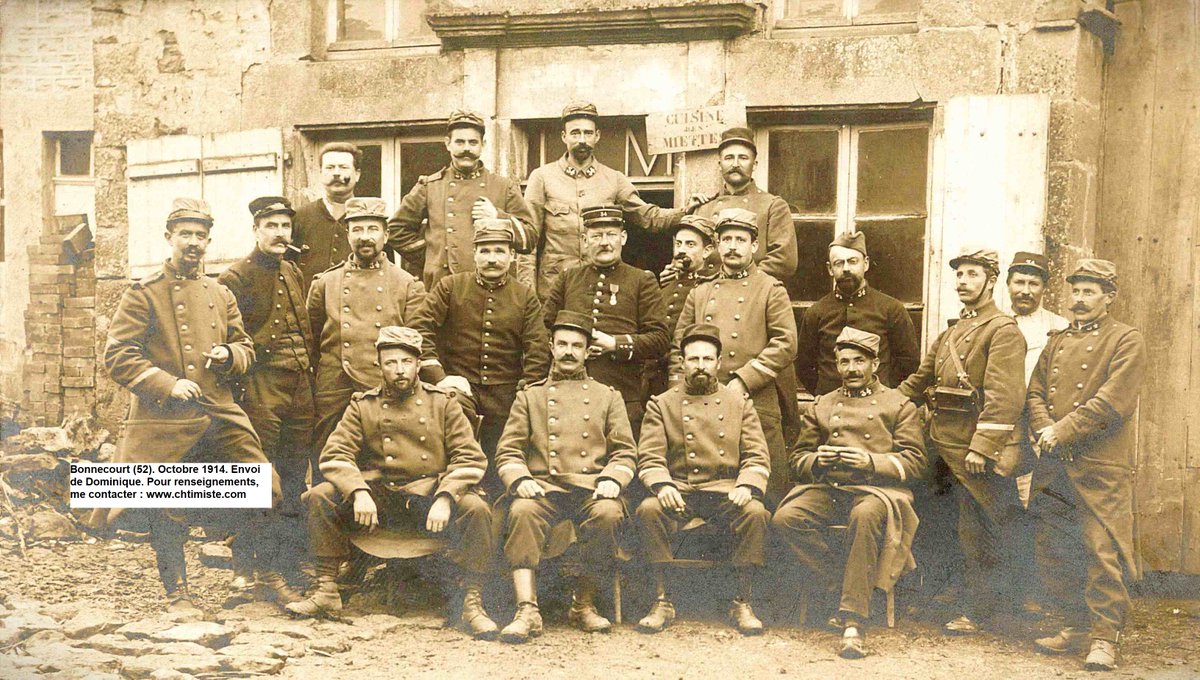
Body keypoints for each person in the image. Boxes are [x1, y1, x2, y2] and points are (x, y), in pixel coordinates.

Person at [98, 197, 285, 613]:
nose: (194, 243)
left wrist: (228, 355)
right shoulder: (143, 294)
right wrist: (167, 383)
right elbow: (119, 355)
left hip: (217, 409)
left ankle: (260, 574)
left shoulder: (220, 293)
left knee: (264, 485)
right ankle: (177, 592)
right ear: (169, 238)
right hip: (163, 418)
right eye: (186, 234)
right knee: (169, 503)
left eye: (201, 235)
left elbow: (245, 347)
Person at [286, 327, 498, 640]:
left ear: (418, 364)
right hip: (380, 499)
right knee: (320, 496)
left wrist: (446, 497)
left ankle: (471, 602)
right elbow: (334, 455)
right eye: (390, 363)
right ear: (380, 366)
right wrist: (358, 491)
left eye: (405, 362)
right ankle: (326, 590)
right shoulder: (363, 405)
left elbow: (470, 459)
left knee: (477, 508)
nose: (398, 370)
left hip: (428, 499)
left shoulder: (444, 404)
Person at [772, 327, 927, 659]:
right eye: (844, 362)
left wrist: (873, 461)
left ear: (875, 363)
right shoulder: (823, 405)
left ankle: (852, 623)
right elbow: (797, 459)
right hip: (829, 487)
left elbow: (916, 463)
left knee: (864, 514)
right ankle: (842, 589)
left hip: (877, 491)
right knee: (787, 518)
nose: (852, 369)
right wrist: (817, 460)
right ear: (836, 365)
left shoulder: (898, 405)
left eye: (859, 361)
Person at [898, 245, 1027, 635]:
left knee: (978, 531)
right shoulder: (951, 333)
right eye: (959, 274)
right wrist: (877, 406)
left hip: (972, 451)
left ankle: (981, 608)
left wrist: (983, 448)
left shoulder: (1003, 331)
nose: (963, 281)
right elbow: (917, 383)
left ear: (990, 280)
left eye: (972, 274)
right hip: (941, 447)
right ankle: (949, 594)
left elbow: (1005, 397)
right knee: (939, 526)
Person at [1027, 259, 1146, 672]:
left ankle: (1104, 638)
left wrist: (1062, 430)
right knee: (1054, 548)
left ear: (1108, 297)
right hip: (1056, 463)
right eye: (1075, 291)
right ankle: (1074, 626)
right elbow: (1035, 393)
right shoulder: (1057, 341)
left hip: (1100, 464)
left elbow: (1113, 402)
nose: (1079, 299)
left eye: (1089, 291)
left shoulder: (1126, 340)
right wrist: (1044, 428)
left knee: (1101, 550)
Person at [493, 311, 638, 643]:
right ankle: (526, 610)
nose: (569, 351)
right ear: (551, 347)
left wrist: (613, 479)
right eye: (562, 344)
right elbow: (508, 450)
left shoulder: (607, 396)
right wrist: (519, 479)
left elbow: (626, 451)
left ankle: (583, 604)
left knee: (608, 514)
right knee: (521, 510)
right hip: (544, 488)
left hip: (592, 489)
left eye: (577, 345)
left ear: (588, 351)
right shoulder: (529, 397)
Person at [635, 323, 772, 635]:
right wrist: (662, 484)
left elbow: (757, 454)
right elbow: (650, 455)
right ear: (682, 363)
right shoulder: (662, 403)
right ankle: (662, 599)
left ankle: (741, 601)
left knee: (755, 514)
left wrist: (747, 485)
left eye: (707, 359)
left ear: (719, 363)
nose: (700, 366)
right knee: (648, 510)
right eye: (693, 359)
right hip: (679, 492)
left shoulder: (740, 404)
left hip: (724, 493)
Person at [216, 196, 317, 597]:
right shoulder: (236, 277)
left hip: (299, 387)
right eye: (271, 225)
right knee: (256, 477)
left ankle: (285, 562)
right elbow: (228, 338)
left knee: (294, 477)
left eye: (285, 226)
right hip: (261, 385)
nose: (280, 233)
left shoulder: (293, 270)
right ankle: (246, 569)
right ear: (256, 230)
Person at [412, 219, 550, 495]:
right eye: (484, 251)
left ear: (512, 256)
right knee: (455, 459)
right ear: (474, 253)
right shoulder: (450, 287)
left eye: (499, 251)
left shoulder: (524, 297)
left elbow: (538, 348)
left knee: (502, 467)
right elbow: (420, 327)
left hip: (506, 394)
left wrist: (524, 392)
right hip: (458, 390)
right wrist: (440, 377)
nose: (491, 259)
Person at [671, 208, 797, 503]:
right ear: (717, 245)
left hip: (756, 398)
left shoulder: (770, 289)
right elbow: (679, 344)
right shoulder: (700, 293)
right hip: (705, 398)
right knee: (713, 489)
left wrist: (744, 379)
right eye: (726, 239)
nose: (732, 246)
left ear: (754, 246)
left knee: (767, 490)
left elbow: (786, 343)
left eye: (740, 239)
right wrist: (679, 390)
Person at [519, 101, 693, 298]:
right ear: (564, 136)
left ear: (597, 136)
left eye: (588, 133)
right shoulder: (542, 177)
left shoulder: (614, 179)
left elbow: (648, 217)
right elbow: (528, 241)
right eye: (575, 133)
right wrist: (529, 294)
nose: (582, 139)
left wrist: (686, 211)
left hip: (600, 289)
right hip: (554, 289)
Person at [307, 197, 426, 482]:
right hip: (335, 383)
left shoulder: (407, 284)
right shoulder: (325, 283)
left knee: (385, 458)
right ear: (347, 235)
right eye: (357, 230)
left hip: (385, 382)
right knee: (328, 455)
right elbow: (310, 337)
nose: (365, 237)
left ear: (386, 235)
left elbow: (418, 341)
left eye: (372, 229)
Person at [543, 204, 669, 436]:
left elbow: (660, 340)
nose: (604, 242)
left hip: (622, 395)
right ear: (584, 239)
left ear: (623, 238)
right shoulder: (567, 279)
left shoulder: (642, 280)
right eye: (597, 235)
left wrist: (615, 344)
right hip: (568, 394)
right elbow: (545, 330)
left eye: (611, 235)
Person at [387, 110, 536, 291]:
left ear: (483, 145)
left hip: (491, 287)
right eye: (460, 142)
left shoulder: (503, 187)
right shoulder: (429, 186)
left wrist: (498, 217)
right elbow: (395, 230)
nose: (466, 148)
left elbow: (529, 239)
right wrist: (434, 256)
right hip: (441, 286)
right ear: (448, 144)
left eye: (473, 142)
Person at [796, 230, 920, 396]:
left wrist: (886, 396)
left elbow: (908, 363)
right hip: (831, 409)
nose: (846, 268)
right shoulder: (816, 312)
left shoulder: (891, 309)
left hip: (878, 407)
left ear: (866, 264)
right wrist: (826, 396)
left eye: (853, 261)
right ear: (830, 269)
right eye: (839, 263)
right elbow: (804, 366)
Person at [689, 127, 797, 281]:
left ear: (755, 164)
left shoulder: (773, 205)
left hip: (750, 293)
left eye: (743, 158)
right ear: (719, 165)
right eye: (729, 158)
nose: (735, 164)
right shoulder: (704, 207)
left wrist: (737, 281)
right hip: (706, 294)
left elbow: (784, 261)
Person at [646, 214, 718, 398]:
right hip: (655, 377)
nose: (681, 250)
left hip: (688, 378)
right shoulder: (664, 284)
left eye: (690, 245)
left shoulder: (711, 288)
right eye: (678, 244)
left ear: (707, 251)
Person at [292, 142, 362, 285]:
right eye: (330, 168)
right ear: (321, 174)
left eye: (343, 167)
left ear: (357, 174)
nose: (336, 173)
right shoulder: (299, 217)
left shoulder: (370, 219)